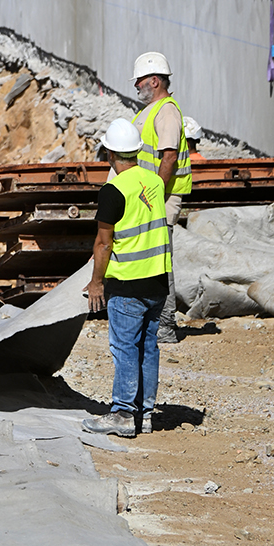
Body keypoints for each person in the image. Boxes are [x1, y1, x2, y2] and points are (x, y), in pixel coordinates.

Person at [82, 118, 171, 439]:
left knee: (125, 348)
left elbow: (104, 243)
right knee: (148, 347)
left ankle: (122, 413)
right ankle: (145, 414)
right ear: (136, 151)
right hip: (158, 282)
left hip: (127, 284)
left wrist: (95, 283)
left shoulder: (113, 190)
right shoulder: (156, 183)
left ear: (109, 154)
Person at [132, 50, 191, 345]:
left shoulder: (166, 110)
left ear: (155, 81)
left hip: (160, 199)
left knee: (160, 261)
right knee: (151, 259)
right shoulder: (148, 112)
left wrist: (153, 197)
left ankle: (165, 325)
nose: (136, 86)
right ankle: (153, 322)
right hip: (149, 198)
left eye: (140, 80)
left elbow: (168, 158)